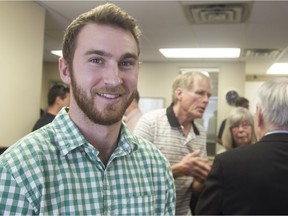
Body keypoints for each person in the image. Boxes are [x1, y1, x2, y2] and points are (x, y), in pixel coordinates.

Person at [0, 3, 175, 215]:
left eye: (126, 62)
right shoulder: (19, 170)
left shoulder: (156, 168)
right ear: (65, 70)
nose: (114, 79)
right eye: (96, 60)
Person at [196, 77, 288, 215]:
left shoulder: (227, 163)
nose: (240, 130)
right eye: (235, 126)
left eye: (245, 125)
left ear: (259, 116)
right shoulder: (226, 159)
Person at [134, 71, 212, 215]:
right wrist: (179, 170)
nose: (206, 100)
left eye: (208, 95)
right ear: (179, 93)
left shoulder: (200, 133)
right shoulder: (150, 122)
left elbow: (194, 187)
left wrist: (203, 178)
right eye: (200, 93)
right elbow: (134, 176)